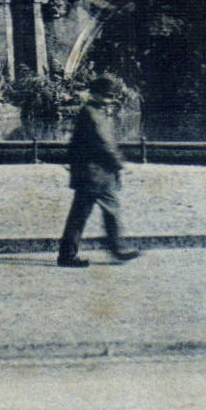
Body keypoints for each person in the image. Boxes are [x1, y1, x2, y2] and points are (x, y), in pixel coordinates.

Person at [57, 75, 141, 267]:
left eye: (111, 96)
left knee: (96, 212)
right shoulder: (93, 114)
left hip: (97, 173)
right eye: (107, 96)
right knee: (85, 215)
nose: (110, 100)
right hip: (93, 174)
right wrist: (120, 164)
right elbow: (104, 143)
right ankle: (72, 255)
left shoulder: (95, 112)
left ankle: (115, 248)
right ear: (95, 94)